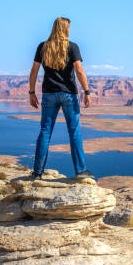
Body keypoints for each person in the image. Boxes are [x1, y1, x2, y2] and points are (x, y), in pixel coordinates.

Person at [28, 17, 93, 180]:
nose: (70, 30)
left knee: (45, 131)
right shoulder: (72, 47)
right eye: (68, 27)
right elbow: (79, 70)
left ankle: (37, 172)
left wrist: (31, 92)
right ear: (64, 28)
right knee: (74, 131)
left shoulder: (43, 47)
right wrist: (87, 91)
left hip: (49, 94)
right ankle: (81, 171)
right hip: (69, 95)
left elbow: (34, 70)